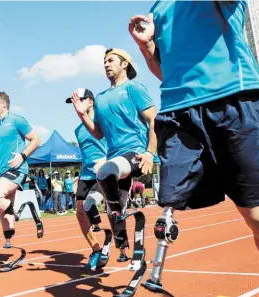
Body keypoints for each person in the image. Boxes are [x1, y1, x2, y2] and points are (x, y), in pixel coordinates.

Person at [129, 2, 259, 295]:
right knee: (250, 220)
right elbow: (165, 71)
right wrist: (146, 46)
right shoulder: (157, 9)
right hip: (180, 113)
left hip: (234, 100)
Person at [71, 48, 157, 263]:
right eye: (104, 62)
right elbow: (98, 133)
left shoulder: (133, 88)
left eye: (111, 60)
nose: (106, 64)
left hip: (135, 153)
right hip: (116, 158)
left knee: (105, 171)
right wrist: (82, 115)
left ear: (124, 64)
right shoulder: (100, 98)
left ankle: (118, 211)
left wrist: (149, 152)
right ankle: (125, 249)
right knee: (101, 206)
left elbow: (154, 119)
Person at [0, 91, 40, 248]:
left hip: (16, 168)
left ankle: (15, 211)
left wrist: (22, 156)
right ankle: (9, 240)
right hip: (0, 172)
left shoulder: (16, 120)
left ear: (3, 104)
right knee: (4, 214)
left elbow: (36, 139)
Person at [66, 88, 109, 270]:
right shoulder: (78, 130)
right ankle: (96, 249)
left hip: (105, 171)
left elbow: (115, 144)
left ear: (90, 101)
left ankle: (118, 244)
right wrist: (79, 176)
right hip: (86, 174)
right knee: (80, 212)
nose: (75, 104)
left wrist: (110, 162)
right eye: (72, 102)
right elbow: (86, 155)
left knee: (92, 207)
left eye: (79, 100)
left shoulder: (104, 122)